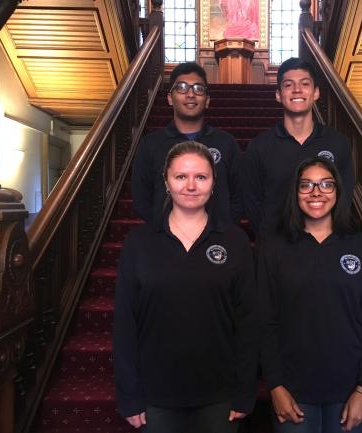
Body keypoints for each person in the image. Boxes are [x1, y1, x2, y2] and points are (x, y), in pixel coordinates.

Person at [114, 141, 259, 433]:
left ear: (214, 183)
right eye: (181, 177)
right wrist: (129, 394)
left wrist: (245, 391)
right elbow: (125, 323)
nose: (191, 186)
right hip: (155, 395)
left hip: (220, 394)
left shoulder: (235, 241)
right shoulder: (139, 242)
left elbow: (248, 322)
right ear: (166, 182)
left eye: (201, 177)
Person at [258, 156, 362, 433]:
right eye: (306, 185)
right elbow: (263, 322)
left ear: (338, 192)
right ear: (295, 193)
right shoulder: (273, 249)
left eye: (325, 185)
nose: (316, 192)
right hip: (292, 389)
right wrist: (275, 385)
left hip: (350, 389)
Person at [242, 57, 355, 240]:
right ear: (278, 95)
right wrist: (269, 238)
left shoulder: (337, 143)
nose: (297, 90)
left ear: (316, 92)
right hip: (275, 247)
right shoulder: (259, 146)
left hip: (324, 245)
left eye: (304, 84)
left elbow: (345, 195)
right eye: (288, 85)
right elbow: (251, 200)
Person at [132, 62, 242, 225]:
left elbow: (240, 196)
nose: (190, 94)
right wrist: (164, 229)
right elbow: (141, 198)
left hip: (217, 240)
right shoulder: (150, 145)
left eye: (198, 88)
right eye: (182, 87)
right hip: (165, 241)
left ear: (207, 100)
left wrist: (221, 227)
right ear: (170, 98)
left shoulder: (226, 143)